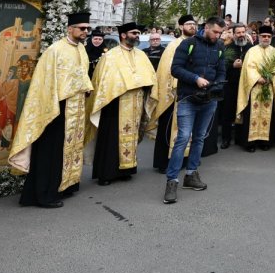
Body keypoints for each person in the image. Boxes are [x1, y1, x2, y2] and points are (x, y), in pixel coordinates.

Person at [10, 11, 95, 209]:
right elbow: (45, 82)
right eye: (82, 28)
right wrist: (56, 101)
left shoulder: (81, 49)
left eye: (87, 29)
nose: (85, 32)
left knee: (68, 149)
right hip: (57, 108)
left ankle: (64, 186)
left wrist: (87, 88)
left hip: (76, 108)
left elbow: (82, 75)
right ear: (70, 29)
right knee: (51, 151)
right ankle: (43, 195)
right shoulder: (55, 50)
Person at [162, 16, 226, 204]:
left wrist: (217, 84)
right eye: (215, 32)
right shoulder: (188, 44)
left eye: (220, 33)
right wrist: (196, 78)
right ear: (205, 27)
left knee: (199, 138)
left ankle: (191, 175)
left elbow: (222, 70)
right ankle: (172, 181)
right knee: (182, 138)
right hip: (188, 98)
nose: (217, 36)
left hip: (209, 100)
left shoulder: (220, 46)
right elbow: (175, 69)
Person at [87, 22, 155, 186]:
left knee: (131, 137)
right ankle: (106, 173)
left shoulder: (141, 55)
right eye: (133, 33)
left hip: (136, 103)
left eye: (138, 33)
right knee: (111, 138)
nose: (137, 35)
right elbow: (103, 82)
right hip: (115, 104)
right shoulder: (111, 56)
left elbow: (151, 77)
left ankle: (126, 169)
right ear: (123, 35)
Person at [148, 15, 200, 172]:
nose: (192, 26)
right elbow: (166, 70)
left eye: (194, 24)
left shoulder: (198, 44)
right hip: (174, 95)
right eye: (188, 24)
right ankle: (164, 162)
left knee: (189, 129)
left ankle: (185, 160)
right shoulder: (174, 45)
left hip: (192, 93)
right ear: (181, 27)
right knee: (169, 127)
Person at [237, 25, 275, 152]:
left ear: (271, 37)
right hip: (255, 87)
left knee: (268, 114)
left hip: (269, 86)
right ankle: (251, 142)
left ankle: (265, 141)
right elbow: (248, 68)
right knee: (253, 114)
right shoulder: (252, 51)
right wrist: (258, 78)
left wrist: (270, 78)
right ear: (259, 37)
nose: (266, 38)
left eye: (268, 36)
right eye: (263, 36)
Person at [214, 24, 250, 149]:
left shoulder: (251, 48)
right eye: (238, 33)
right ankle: (226, 139)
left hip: (245, 86)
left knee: (243, 112)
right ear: (234, 34)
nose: (241, 35)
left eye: (243, 32)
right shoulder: (227, 48)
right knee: (227, 113)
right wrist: (232, 66)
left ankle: (240, 139)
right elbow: (220, 67)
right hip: (230, 85)